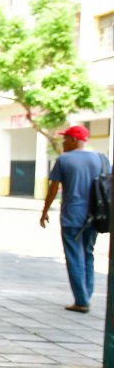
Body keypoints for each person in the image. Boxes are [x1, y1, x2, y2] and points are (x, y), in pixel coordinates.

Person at [40, 124, 109, 313]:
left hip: (72, 216)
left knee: (74, 257)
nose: (63, 142)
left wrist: (45, 211)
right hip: (96, 216)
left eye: (66, 139)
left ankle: (81, 300)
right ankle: (86, 294)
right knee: (88, 254)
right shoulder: (101, 159)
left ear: (74, 140)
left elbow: (54, 189)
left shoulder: (64, 160)